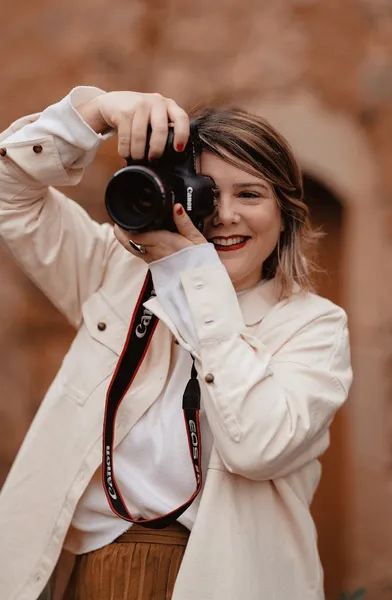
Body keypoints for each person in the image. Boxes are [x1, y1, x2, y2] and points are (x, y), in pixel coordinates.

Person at [0, 86, 352, 600]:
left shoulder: (313, 327)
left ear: (286, 213)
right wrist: (95, 111)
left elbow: (257, 446)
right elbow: (11, 192)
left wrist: (194, 271)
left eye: (249, 194)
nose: (224, 215)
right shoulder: (117, 275)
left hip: (218, 579)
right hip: (83, 575)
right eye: (206, 193)